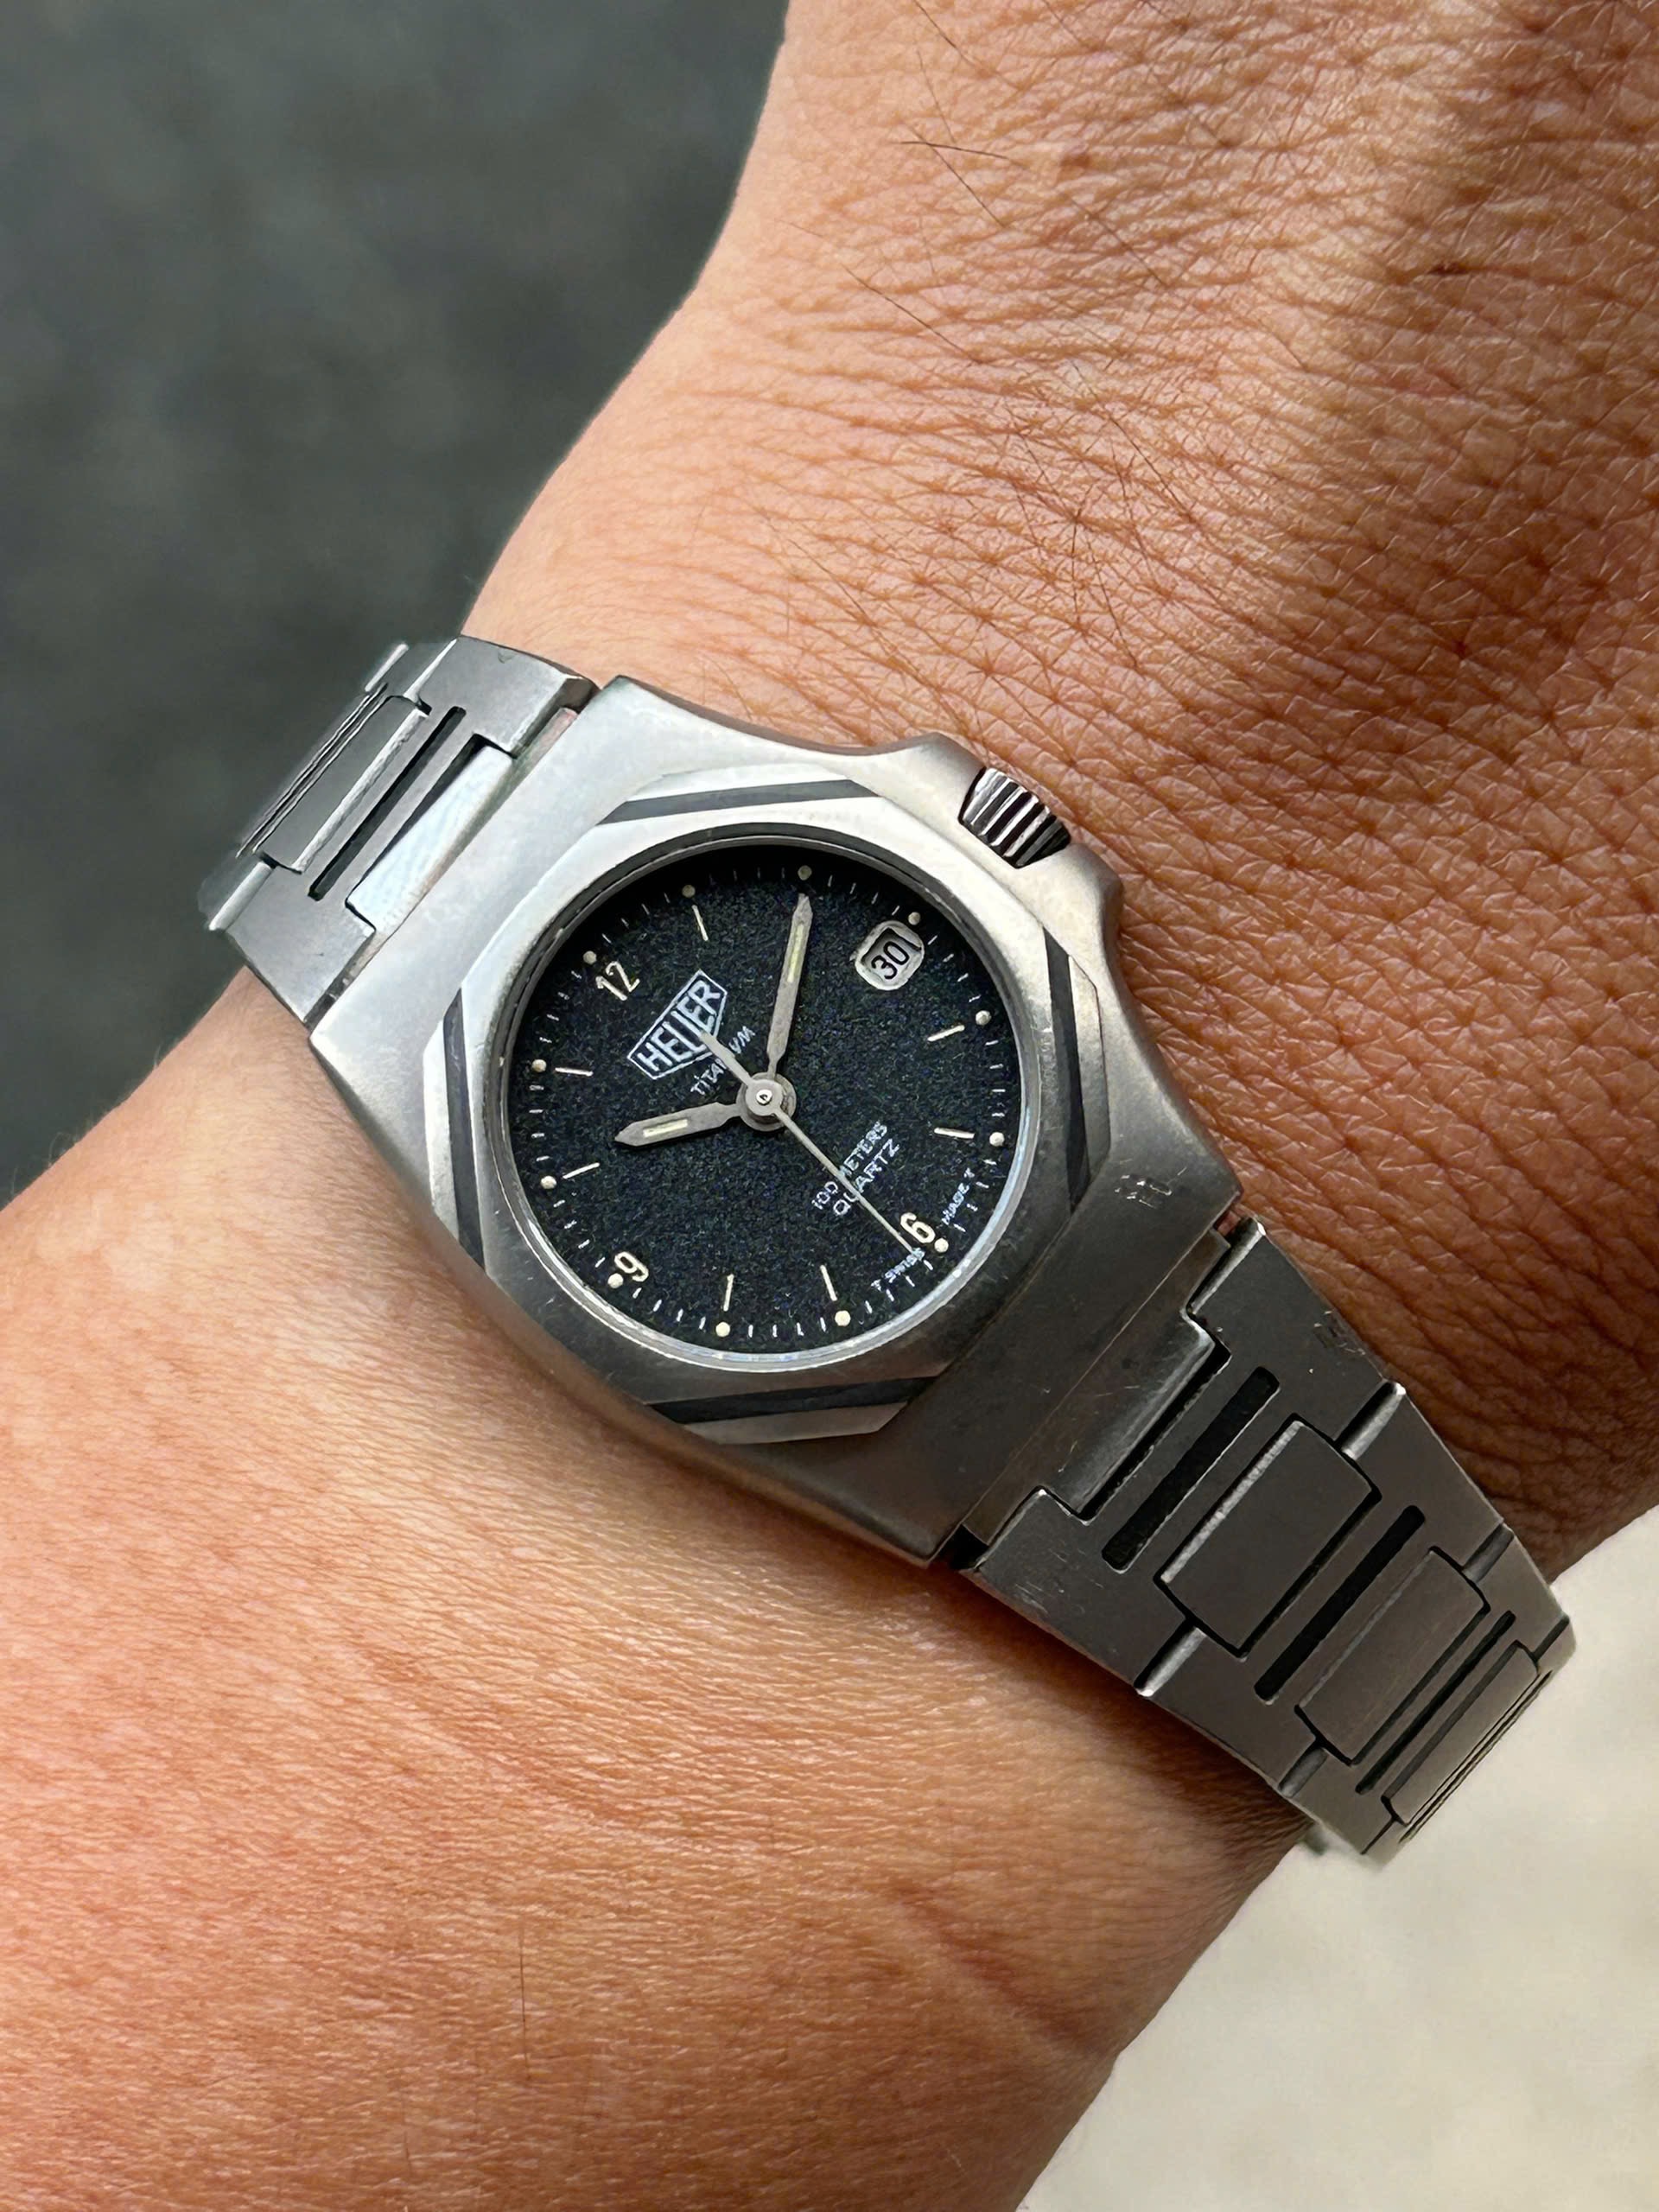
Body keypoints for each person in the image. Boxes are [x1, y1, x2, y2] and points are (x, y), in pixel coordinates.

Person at [3, 0, 1655, 2202]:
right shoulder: (692, 1271)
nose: (759, 1085)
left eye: (756, 1062)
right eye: (717, 1094)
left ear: (983, 851)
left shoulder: (800, 966)